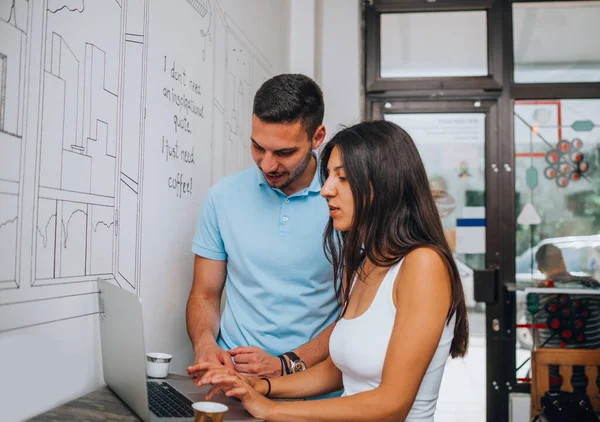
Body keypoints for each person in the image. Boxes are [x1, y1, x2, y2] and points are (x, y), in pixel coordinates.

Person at [193, 120, 470, 421]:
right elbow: (338, 370)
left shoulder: (423, 264)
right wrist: (260, 386)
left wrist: (270, 408)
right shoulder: (367, 263)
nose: (326, 190)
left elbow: (392, 404)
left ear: (384, 184)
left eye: (344, 178)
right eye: (329, 177)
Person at [185, 74, 340, 380]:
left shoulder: (344, 201)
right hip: (234, 381)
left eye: (284, 152)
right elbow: (204, 294)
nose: (268, 165)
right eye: (258, 147)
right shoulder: (223, 196)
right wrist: (204, 344)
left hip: (313, 386)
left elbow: (356, 311)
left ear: (317, 137)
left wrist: (286, 364)